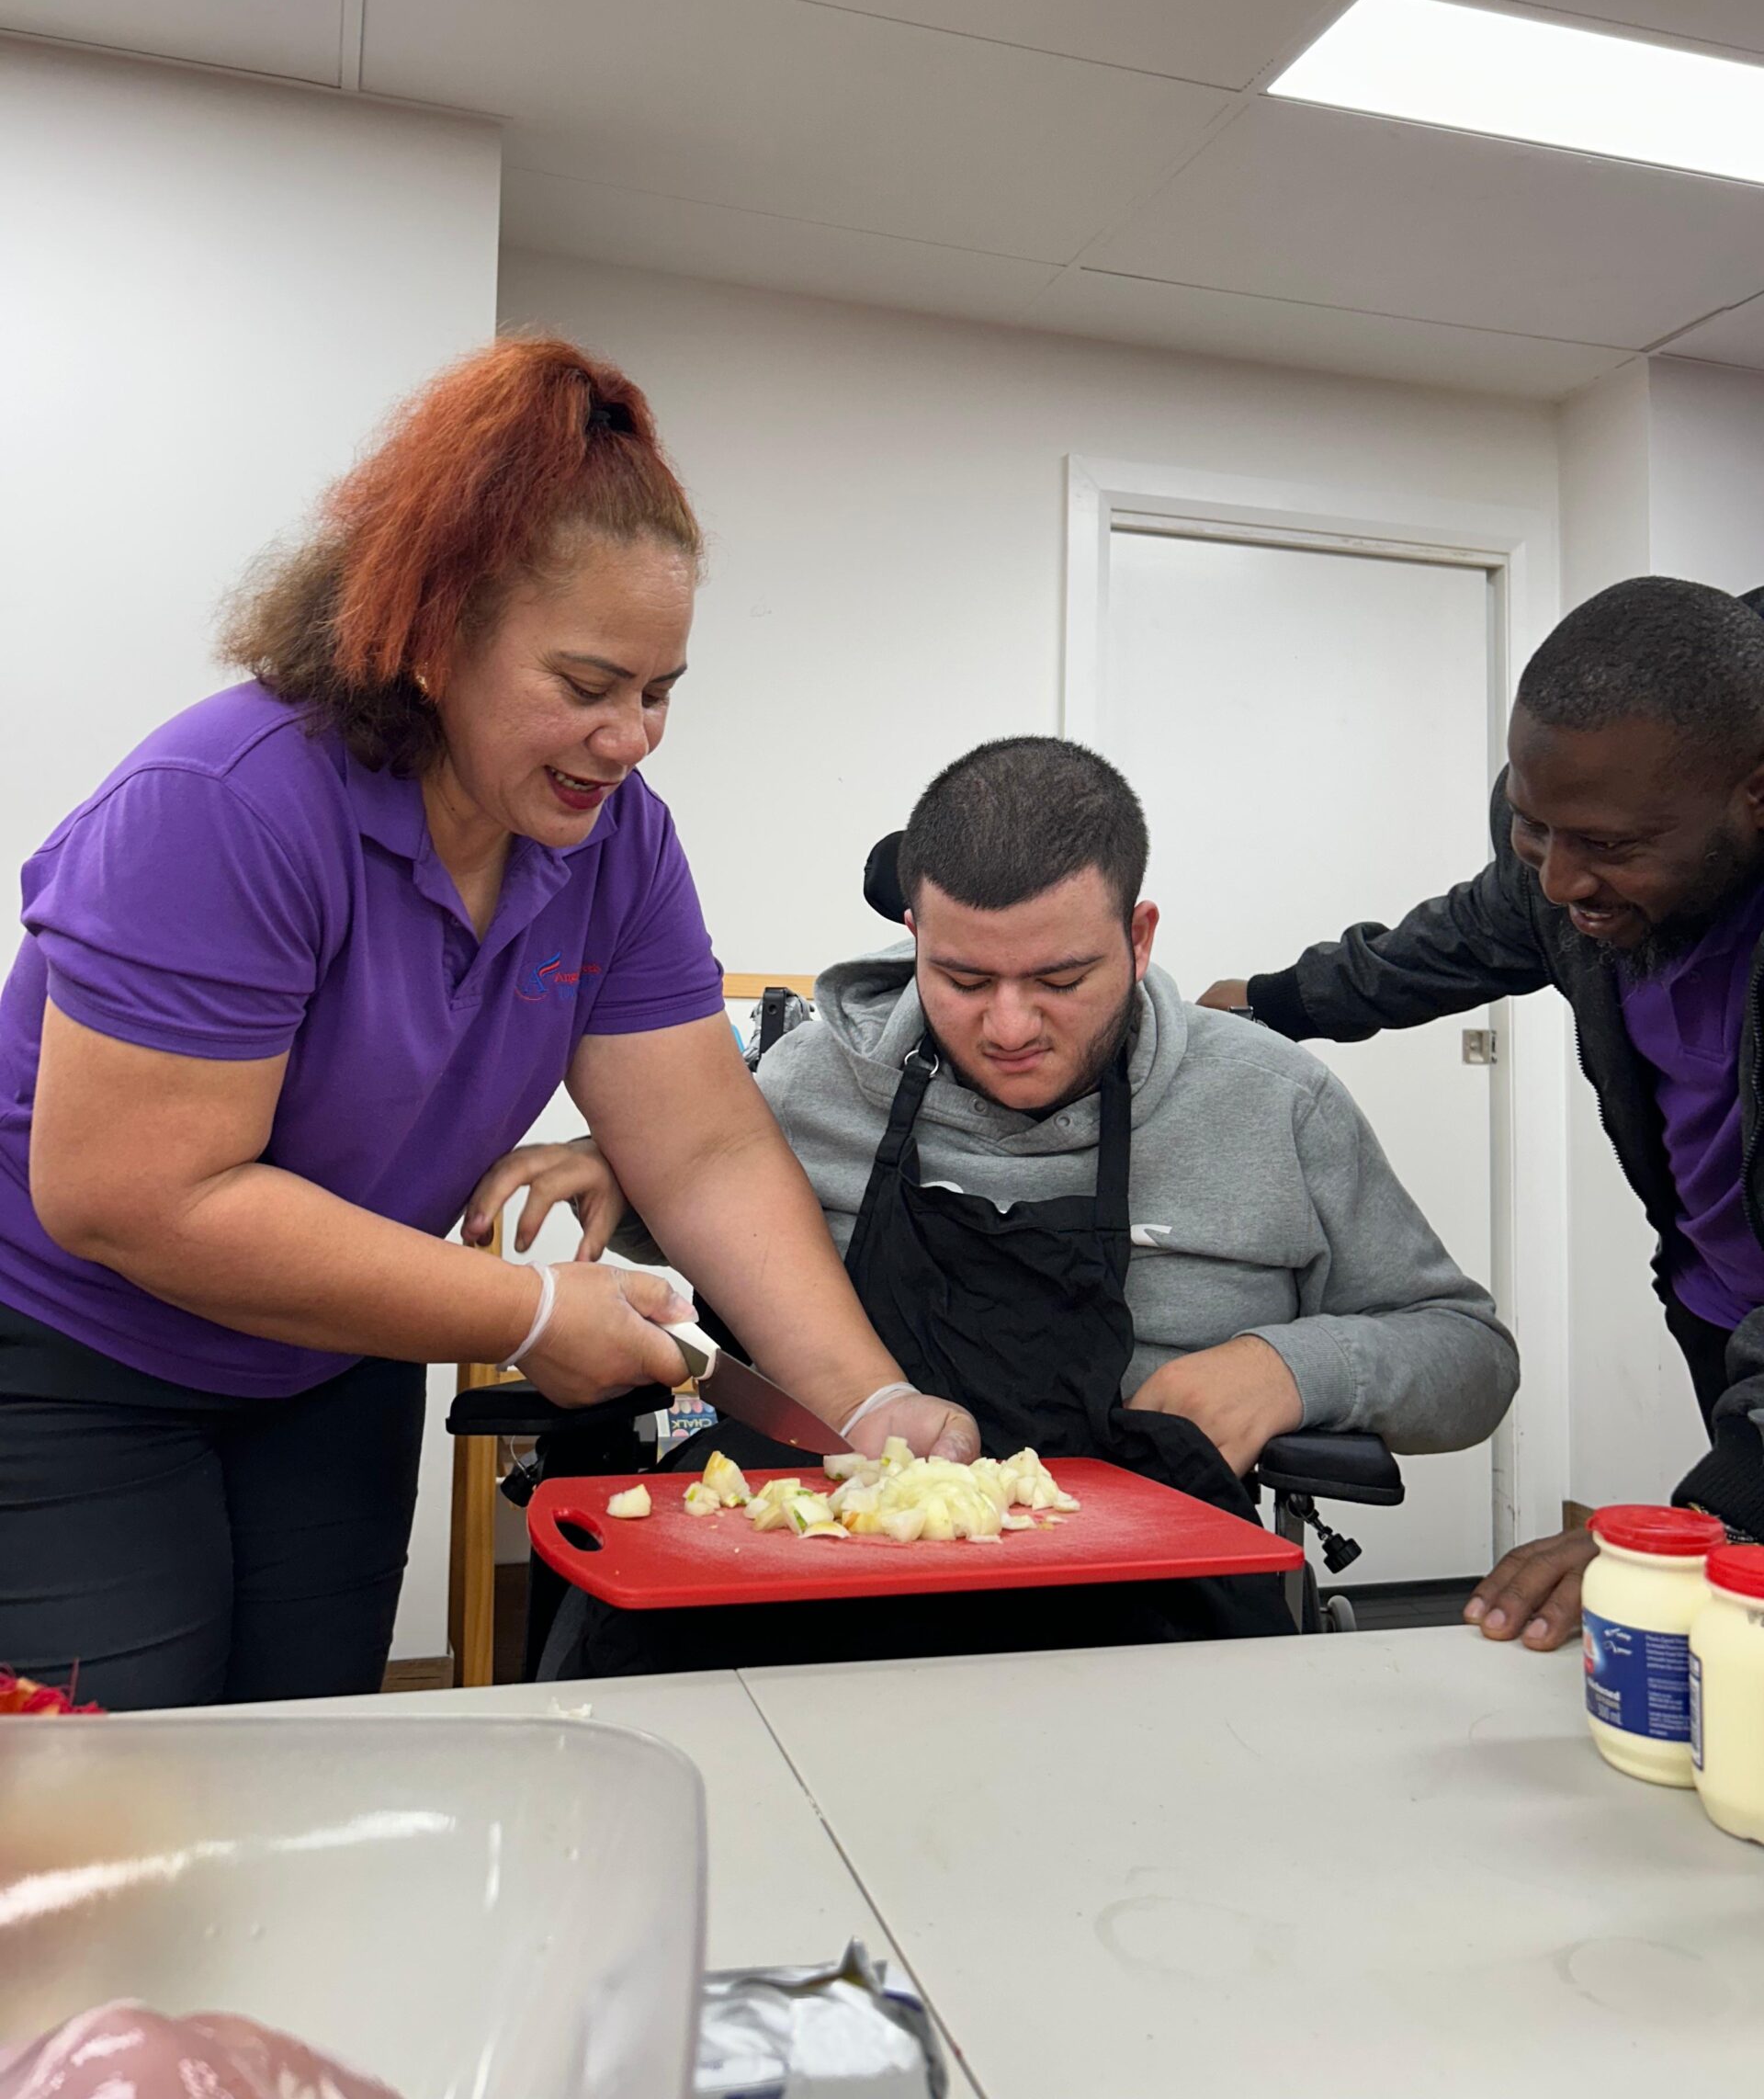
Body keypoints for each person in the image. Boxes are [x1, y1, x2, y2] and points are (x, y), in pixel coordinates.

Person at [0, 335, 974, 1713]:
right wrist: (528, 1311)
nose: (631, 738)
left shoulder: (616, 845)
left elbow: (701, 1149)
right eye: (586, 686)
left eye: (659, 692)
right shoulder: (223, 807)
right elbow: (135, 1194)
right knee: (115, 1778)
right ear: (431, 635)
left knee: (307, 1747)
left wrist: (868, 1407)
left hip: (323, 1359)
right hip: (70, 1361)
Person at [545, 736, 1516, 1672]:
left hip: (1144, 1618)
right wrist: (625, 1168)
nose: (1009, 1027)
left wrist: (1290, 1369)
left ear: (1138, 938)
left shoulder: (1274, 1104)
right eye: (963, 979)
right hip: (814, 1599)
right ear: (915, 938)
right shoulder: (814, 1079)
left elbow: (1472, 1355)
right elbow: (716, 1204)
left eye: (1061, 979)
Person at [1198, 576, 1764, 1650]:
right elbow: (1467, 933)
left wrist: (1709, 1519)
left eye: (1606, 847)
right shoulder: (1575, 855)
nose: (1559, 881)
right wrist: (1270, 1004)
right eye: (1532, 828)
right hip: (1719, 1308)